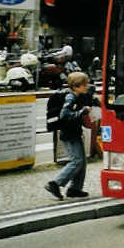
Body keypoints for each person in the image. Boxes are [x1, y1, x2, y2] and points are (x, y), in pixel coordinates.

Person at [45, 71, 92, 199]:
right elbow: (64, 115)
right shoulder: (70, 97)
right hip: (69, 134)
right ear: (76, 86)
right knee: (77, 161)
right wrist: (82, 112)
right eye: (84, 85)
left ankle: (75, 189)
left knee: (82, 161)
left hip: (74, 132)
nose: (87, 86)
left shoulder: (77, 96)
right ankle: (55, 183)